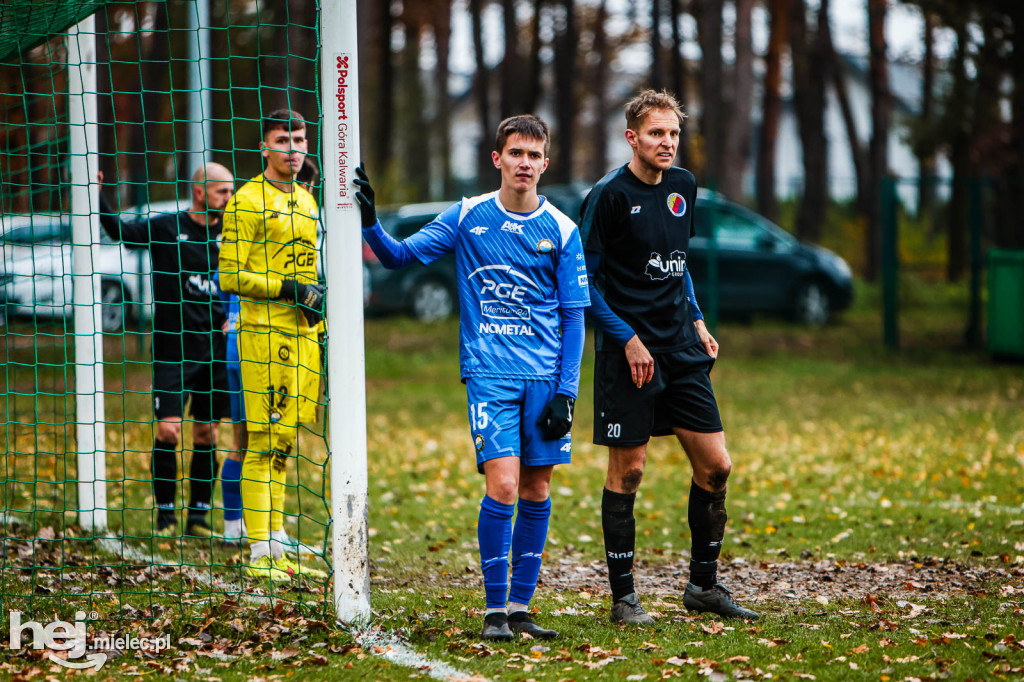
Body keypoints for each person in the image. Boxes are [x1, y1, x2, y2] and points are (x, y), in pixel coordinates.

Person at [354, 115, 589, 640]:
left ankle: (522, 609)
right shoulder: (466, 216)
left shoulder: (564, 230)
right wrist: (369, 221)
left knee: (536, 487)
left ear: (545, 163)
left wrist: (568, 392)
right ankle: (493, 610)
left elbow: (575, 317)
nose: (524, 163)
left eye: (534, 155)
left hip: (546, 380)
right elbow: (398, 258)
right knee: (503, 485)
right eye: (516, 153)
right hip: (489, 374)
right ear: (497, 159)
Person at [579, 90, 758, 622]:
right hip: (628, 353)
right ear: (632, 137)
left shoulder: (685, 186)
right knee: (628, 472)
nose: (668, 143)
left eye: (674, 133)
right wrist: (627, 339)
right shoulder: (607, 196)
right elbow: (584, 284)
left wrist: (697, 319)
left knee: (717, 466)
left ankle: (703, 588)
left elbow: (677, 266)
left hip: (681, 348)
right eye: (657, 133)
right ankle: (624, 599)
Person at [98, 163, 235, 539]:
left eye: (230, 192)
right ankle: (164, 515)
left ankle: (198, 517)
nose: (228, 198)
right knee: (169, 431)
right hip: (173, 350)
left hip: (217, 352)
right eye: (222, 191)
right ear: (200, 191)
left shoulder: (234, 233)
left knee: (207, 433)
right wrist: (95, 193)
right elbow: (121, 232)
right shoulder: (165, 227)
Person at [218, 108, 326, 582]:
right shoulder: (245, 200)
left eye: (299, 140)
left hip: (303, 338)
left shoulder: (307, 200)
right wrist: (285, 289)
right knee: (261, 441)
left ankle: (275, 539)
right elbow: (228, 275)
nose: (293, 150)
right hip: (262, 337)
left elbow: (310, 272)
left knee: (284, 442)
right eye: (283, 140)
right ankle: (260, 552)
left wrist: (316, 306)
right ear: (264, 147)